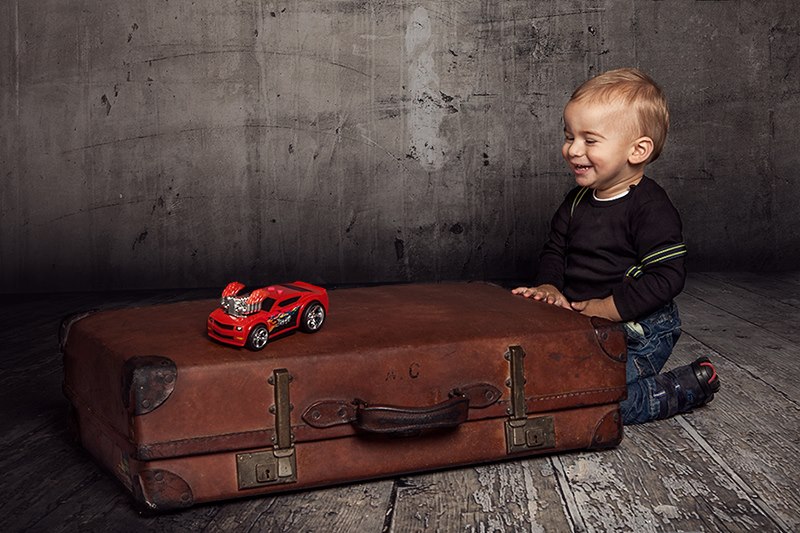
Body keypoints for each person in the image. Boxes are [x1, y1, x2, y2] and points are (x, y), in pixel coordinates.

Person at [512, 68, 719, 424]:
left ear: (637, 150)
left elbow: (667, 277)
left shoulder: (650, 207)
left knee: (591, 403)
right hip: (583, 323)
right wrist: (549, 286)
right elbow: (555, 251)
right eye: (569, 136)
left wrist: (610, 308)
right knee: (544, 386)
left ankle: (680, 387)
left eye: (590, 140)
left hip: (639, 328)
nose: (573, 149)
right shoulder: (576, 202)